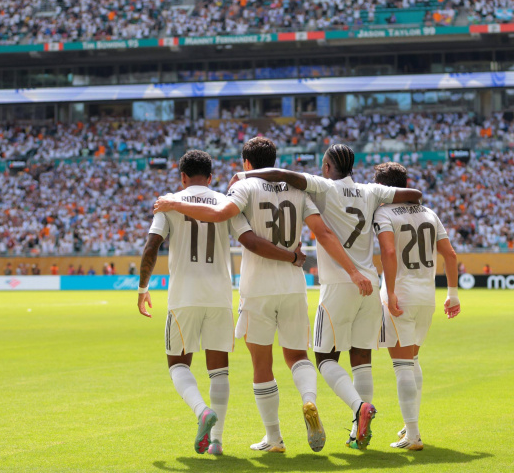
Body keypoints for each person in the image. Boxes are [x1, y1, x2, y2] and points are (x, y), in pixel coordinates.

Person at [154, 137, 370, 453]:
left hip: (257, 288)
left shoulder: (244, 186)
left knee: (262, 363)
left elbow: (224, 216)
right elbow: (322, 232)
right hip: (294, 285)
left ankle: (274, 438)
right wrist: (343, 268)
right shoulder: (298, 190)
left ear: (246, 163)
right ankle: (309, 401)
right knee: (298, 356)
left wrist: (175, 203)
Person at [215, 144, 423, 450]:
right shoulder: (370, 191)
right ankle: (356, 431)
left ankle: (352, 409)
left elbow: (283, 182)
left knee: (322, 358)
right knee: (360, 359)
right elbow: (414, 195)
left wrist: (242, 174)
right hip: (365, 282)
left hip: (333, 283)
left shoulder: (320, 186)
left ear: (326, 167)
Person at [138, 150, 304, 456]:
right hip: (219, 296)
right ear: (210, 177)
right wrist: (293, 256)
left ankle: (201, 410)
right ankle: (216, 441)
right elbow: (250, 240)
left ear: (183, 176)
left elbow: (152, 246)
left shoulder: (168, 201)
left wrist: (142, 287)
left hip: (183, 296)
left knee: (177, 364)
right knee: (219, 371)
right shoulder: (225, 201)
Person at [372, 162, 460, 450]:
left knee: (401, 366)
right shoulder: (429, 212)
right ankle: (410, 426)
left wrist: (392, 292)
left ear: (383, 188)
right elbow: (450, 254)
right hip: (427, 297)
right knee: (413, 362)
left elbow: (388, 251)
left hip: (400, 296)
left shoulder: (384, 212)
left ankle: (413, 435)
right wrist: (454, 294)